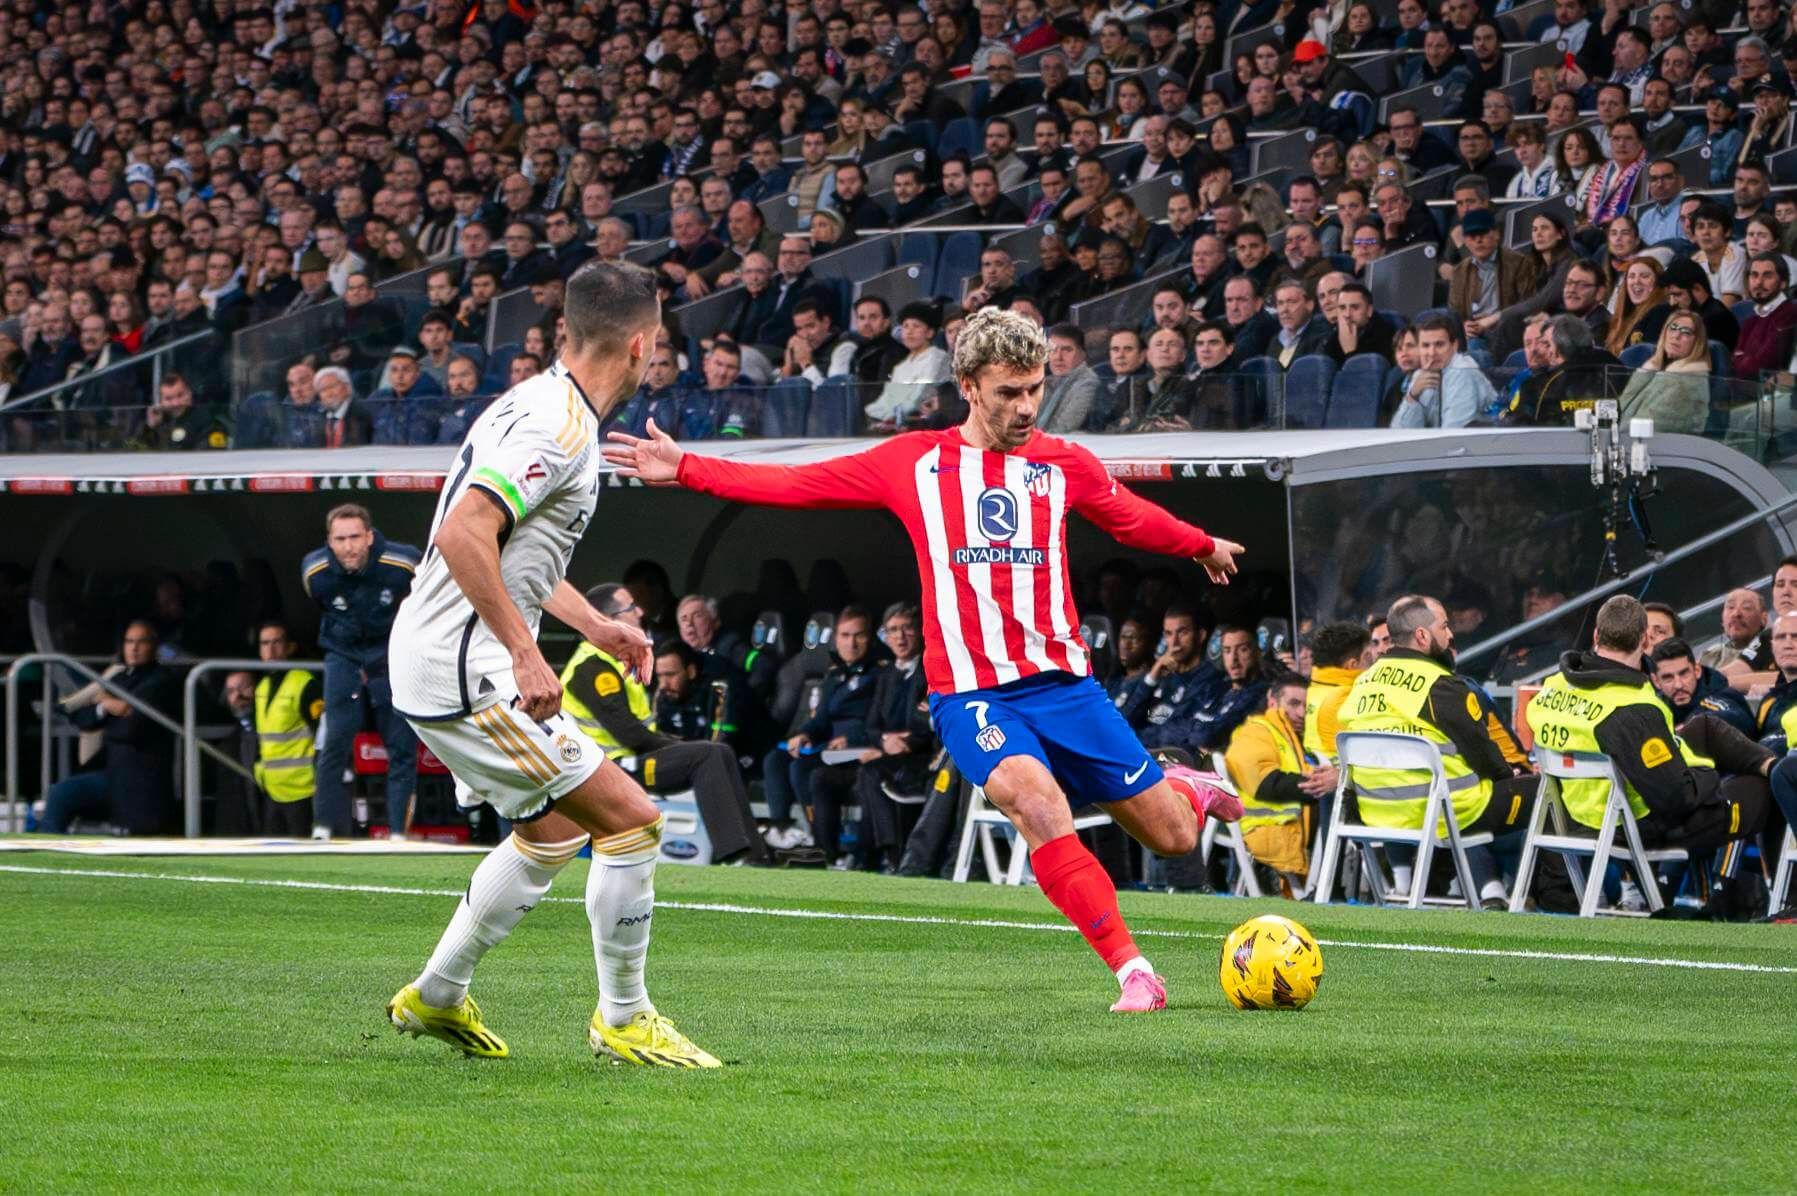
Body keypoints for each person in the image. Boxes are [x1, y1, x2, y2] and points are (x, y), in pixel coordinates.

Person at [606, 308, 1246, 1012]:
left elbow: (1129, 515)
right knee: (1035, 801)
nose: (1026, 406)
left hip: (1066, 687)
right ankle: (1133, 971)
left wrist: (1200, 543)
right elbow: (796, 485)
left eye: (1034, 388)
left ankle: (1180, 786)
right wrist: (688, 467)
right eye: (1008, 392)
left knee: (1174, 834)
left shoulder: (1062, 465)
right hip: (972, 695)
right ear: (969, 386)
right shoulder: (915, 462)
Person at [386, 262, 720, 1068]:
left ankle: (434, 997)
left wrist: (593, 625)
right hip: (471, 672)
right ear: (641, 345)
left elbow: (512, 551)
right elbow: (465, 535)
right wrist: (528, 650)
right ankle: (625, 1017)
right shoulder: (558, 428)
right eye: (660, 342)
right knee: (634, 819)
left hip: (442, 659)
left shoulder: (536, 400)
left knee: (553, 828)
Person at [1526, 596, 1774, 917]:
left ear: (1597, 637)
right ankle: (1753, 896)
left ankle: (1772, 763)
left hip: (1570, 810)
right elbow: (1676, 800)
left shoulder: (1554, 685)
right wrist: (1706, 774)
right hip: (1625, 823)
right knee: (1756, 789)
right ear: (1645, 641)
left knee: (1705, 728)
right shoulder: (1632, 707)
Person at [1340, 595, 1533, 908]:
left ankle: (1464, 887)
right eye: (1444, 626)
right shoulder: (1440, 684)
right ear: (1422, 636)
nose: (1451, 635)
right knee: (1545, 793)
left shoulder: (1362, 683)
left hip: (1378, 814)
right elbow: (1483, 752)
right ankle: (1558, 899)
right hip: (1448, 811)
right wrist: (1507, 774)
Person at [559, 583, 769, 867]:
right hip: (607, 769)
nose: (641, 611)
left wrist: (677, 745)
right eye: (631, 607)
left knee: (720, 752)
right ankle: (734, 855)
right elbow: (630, 735)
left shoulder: (610, 660)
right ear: (609, 620)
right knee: (706, 754)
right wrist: (680, 746)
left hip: (625, 761)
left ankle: (754, 855)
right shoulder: (592, 667)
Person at [302, 504, 420, 841]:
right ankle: (322, 828)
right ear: (330, 541)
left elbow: (429, 597)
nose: (348, 546)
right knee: (335, 739)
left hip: (390, 654)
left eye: (355, 537)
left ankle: (398, 832)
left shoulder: (404, 562)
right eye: (340, 539)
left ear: (369, 536)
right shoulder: (315, 570)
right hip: (343, 653)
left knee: (400, 744)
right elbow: (320, 604)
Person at [808, 602, 934, 871]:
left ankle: (889, 854)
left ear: (920, 631)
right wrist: (884, 742)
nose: (900, 637)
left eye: (907, 629)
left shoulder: (931, 669)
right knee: (821, 776)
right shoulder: (887, 674)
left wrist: (906, 741)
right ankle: (827, 855)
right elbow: (872, 724)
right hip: (886, 753)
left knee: (870, 774)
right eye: (893, 630)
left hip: (918, 758)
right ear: (885, 637)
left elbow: (926, 723)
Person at [35, 622, 177, 835]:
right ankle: (45, 846)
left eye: (141, 642)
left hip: (138, 777)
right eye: (129, 641)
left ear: (154, 646)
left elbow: (133, 729)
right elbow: (82, 718)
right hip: (113, 772)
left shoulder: (161, 681)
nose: (134, 648)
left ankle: (45, 846)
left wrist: (113, 713)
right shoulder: (120, 677)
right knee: (60, 793)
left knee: (61, 793)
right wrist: (106, 707)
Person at [1225, 674, 1335, 892]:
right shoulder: (1256, 731)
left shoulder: (1302, 739)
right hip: (1270, 837)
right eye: (1294, 704)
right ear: (1272, 701)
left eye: (1307, 706)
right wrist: (1325, 783)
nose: (1302, 713)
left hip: (1294, 836)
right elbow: (1266, 783)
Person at [250, 621, 324, 838]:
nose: (270, 650)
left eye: (276, 642)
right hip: (272, 788)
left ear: (290, 647)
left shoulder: (304, 683)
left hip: (303, 788)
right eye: (264, 643)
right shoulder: (262, 686)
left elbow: (322, 734)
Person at [1393, 313, 1498, 428]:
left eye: (1439, 344)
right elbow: (1399, 433)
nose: (1432, 353)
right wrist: (1413, 396)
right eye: (1425, 345)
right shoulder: (1420, 375)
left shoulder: (1463, 372)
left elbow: (1453, 435)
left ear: (1454, 346)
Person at [1617, 311, 1712, 435]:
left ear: (1697, 343)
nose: (1676, 335)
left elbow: (1652, 428)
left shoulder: (1687, 383)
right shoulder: (1654, 371)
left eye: (1686, 332)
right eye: (1672, 328)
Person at [1651, 638, 1759, 740]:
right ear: (1656, 681)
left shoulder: (1721, 694)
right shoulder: (1654, 707)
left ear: (1697, 671)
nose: (1678, 685)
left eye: (1684, 674)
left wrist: (1691, 727)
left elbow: (1737, 719)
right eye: (1668, 678)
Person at [1303, 620, 1370, 763]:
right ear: (1352, 665)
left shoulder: (1312, 690)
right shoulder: (1344, 699)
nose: (1373, 661)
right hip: (1339, 780)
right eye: (1367, 657)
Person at [1733, 253, 1797, 379]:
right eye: (1754, 275)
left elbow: (1764, 364)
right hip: (1748, 389)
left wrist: (1744, 359)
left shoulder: (1790, 313)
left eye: (1767, 276)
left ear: (1783, 283)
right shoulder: (1750, 321)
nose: (1759, 282)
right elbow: (1735, 363)